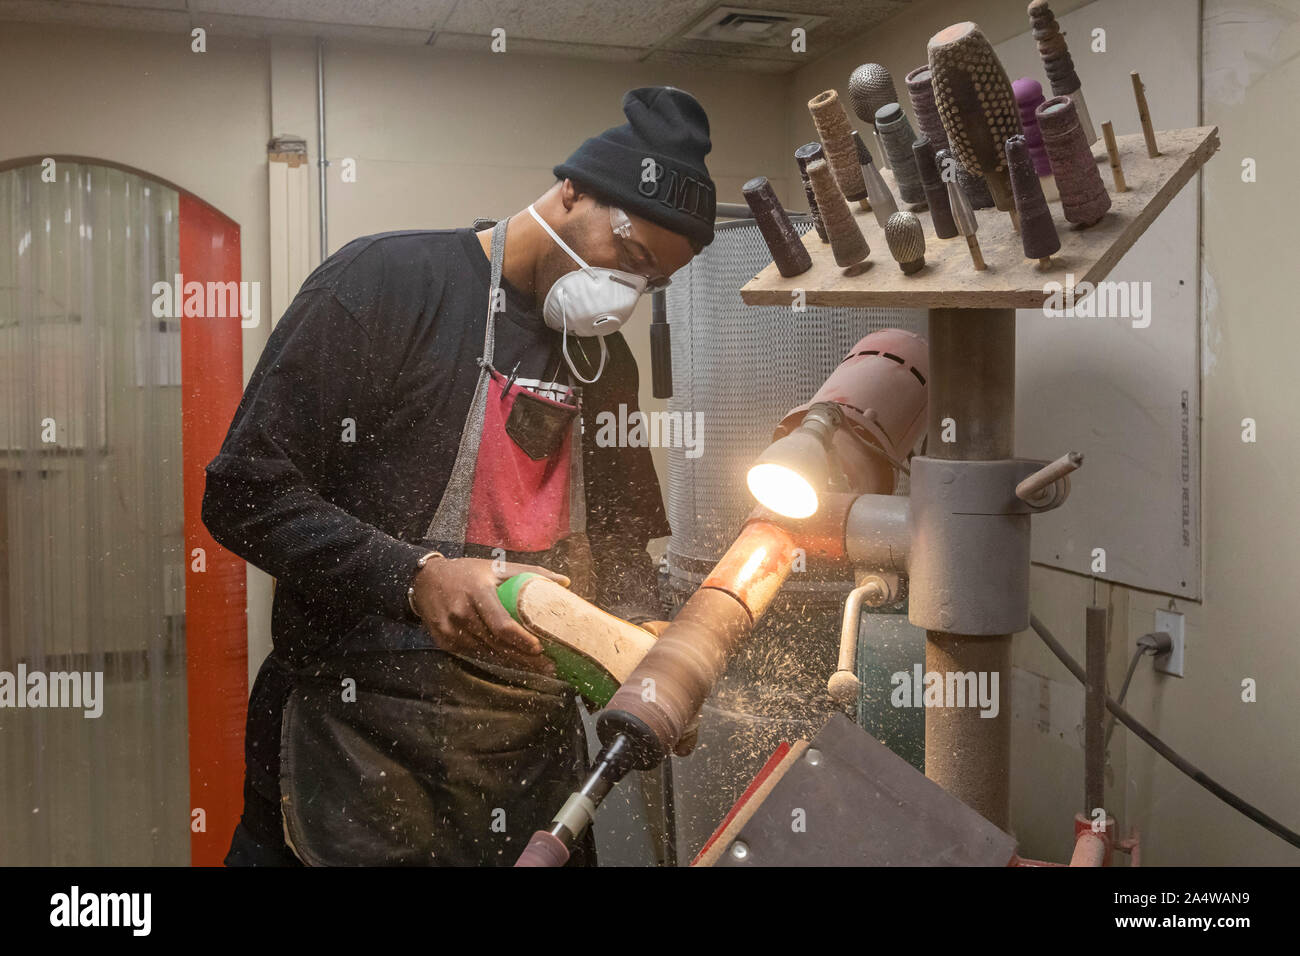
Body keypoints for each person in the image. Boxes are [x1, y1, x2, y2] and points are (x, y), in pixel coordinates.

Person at [202, 86, 716, 866]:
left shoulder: (602, 360)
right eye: (630, 256)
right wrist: (416, 577)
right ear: (572, 190)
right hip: (356, 741)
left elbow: (619, 542)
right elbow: (244, 493)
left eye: (650, 283)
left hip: (526, 754)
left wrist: (644, 645)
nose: (624, 294)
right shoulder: (384, 284)